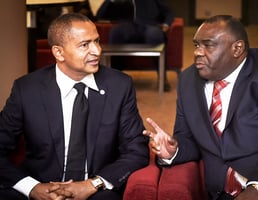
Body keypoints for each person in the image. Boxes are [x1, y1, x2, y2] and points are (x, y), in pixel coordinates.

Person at [143, 15, 258, 200]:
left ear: (237, 48)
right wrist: (174, 150)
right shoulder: (188, 80)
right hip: (220, 193)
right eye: (196, 45)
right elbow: (188, 138)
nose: (198, 52)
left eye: (208, 45)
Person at [0, 13, 149, 200]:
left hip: (95, 190)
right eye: (85, 45)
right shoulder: (27, 89)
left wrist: (93, 183)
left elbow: (137, 149)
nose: (97, 51)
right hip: (40, 184)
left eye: (97, 41)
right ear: (58, 52)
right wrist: (32, 188)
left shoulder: (119, 85)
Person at [96, 0, 174, 91]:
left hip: (149, 25)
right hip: (127, 26)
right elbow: (99, 15)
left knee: (155, 35)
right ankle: (115, 77)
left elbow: (168, 12)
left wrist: (166, 24)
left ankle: (162, 78)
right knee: (115, 33)